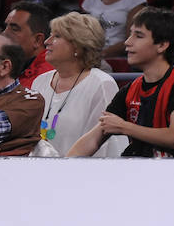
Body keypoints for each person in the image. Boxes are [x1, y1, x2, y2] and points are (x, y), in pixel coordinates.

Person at [69, 7, 174, 158]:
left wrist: (124, 126)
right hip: (138, 172)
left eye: (138, 36)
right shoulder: (131, 89)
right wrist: (64, 165)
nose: (127, 42)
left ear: (162, 45)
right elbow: (94, 138)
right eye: (130, 34)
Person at [31, 12, 127, 157]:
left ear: (77, 46)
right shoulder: (40, 81)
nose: (47, 41)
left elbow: (106, 146)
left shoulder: (101, 84)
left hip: (82, 174)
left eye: (56, 36)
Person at [2, 1, 54, 89]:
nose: (4, 34)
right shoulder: (5, 67)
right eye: (6, 27)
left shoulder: (48, 78)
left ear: (37, 40)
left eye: (14, 29)